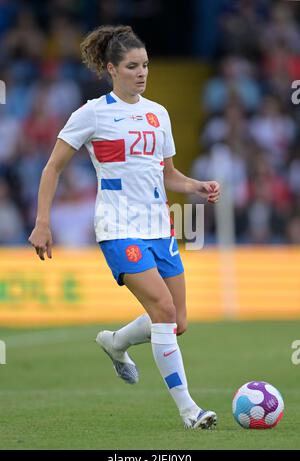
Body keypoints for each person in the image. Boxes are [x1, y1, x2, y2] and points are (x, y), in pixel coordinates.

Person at [28, 25, 220, 430]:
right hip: (118, 227)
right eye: (133, 66)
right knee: (163, 311)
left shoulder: (158, 114)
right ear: (112, 69)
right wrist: (43, 222)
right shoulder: (92, 113)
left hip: (159, 227)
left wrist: (195, 185)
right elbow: (53, 167)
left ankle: (115, 343)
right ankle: (190, 411)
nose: (142, 72)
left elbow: (167, 174)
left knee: (177, 321)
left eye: (146, 65)